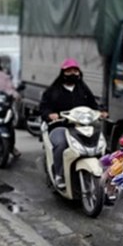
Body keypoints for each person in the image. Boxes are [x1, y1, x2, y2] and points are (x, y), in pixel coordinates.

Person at [39, 58, 107, 190]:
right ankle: (59, 174)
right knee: (61, 144)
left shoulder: (83, 89)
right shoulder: (53, 90)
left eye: (75, 71)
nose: (72, 73)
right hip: (60, 127)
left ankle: (105, 175)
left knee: (98, 142)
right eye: (69, 71)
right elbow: (44, 108)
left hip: (82, 126)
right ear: (63, 73)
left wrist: (101, 112)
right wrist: (50, 115)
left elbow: (93, 105)